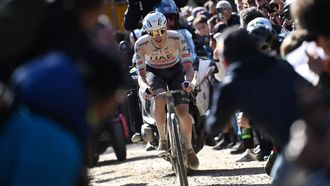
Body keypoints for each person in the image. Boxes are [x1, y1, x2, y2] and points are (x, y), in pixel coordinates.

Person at [205, 26, 316, 173]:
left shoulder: (232, 83)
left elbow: (214, 126)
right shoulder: (280, 64)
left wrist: (207, 116)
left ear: (226, 59)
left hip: (303, 145)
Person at [133, 11, 199, 170]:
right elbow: (141, 75)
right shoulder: (140, 44)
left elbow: (189, 68)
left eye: (161, 31)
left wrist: (189, 82)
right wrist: (145, 88)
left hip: (176, 71)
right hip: (153, 72)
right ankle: (163, 140)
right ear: (147, 33)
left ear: (165, 28)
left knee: (183, 113)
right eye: (153, 33)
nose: (158, 36)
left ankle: (189, 149)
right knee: (159, 99)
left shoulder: (176, 37)